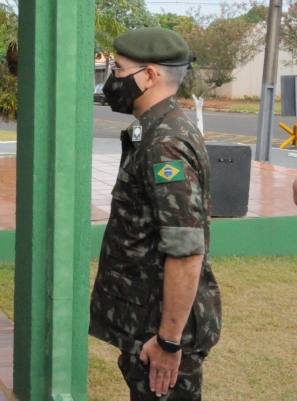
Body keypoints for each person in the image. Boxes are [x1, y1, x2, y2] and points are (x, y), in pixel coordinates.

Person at [89, 27, 222, 400]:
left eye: (117, 70)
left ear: (149, 75)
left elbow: (185, 249)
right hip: (146, 320)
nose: (112, 80)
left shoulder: (166, 144)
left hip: (159, 330)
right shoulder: (154, 131)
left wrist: (168, 341)